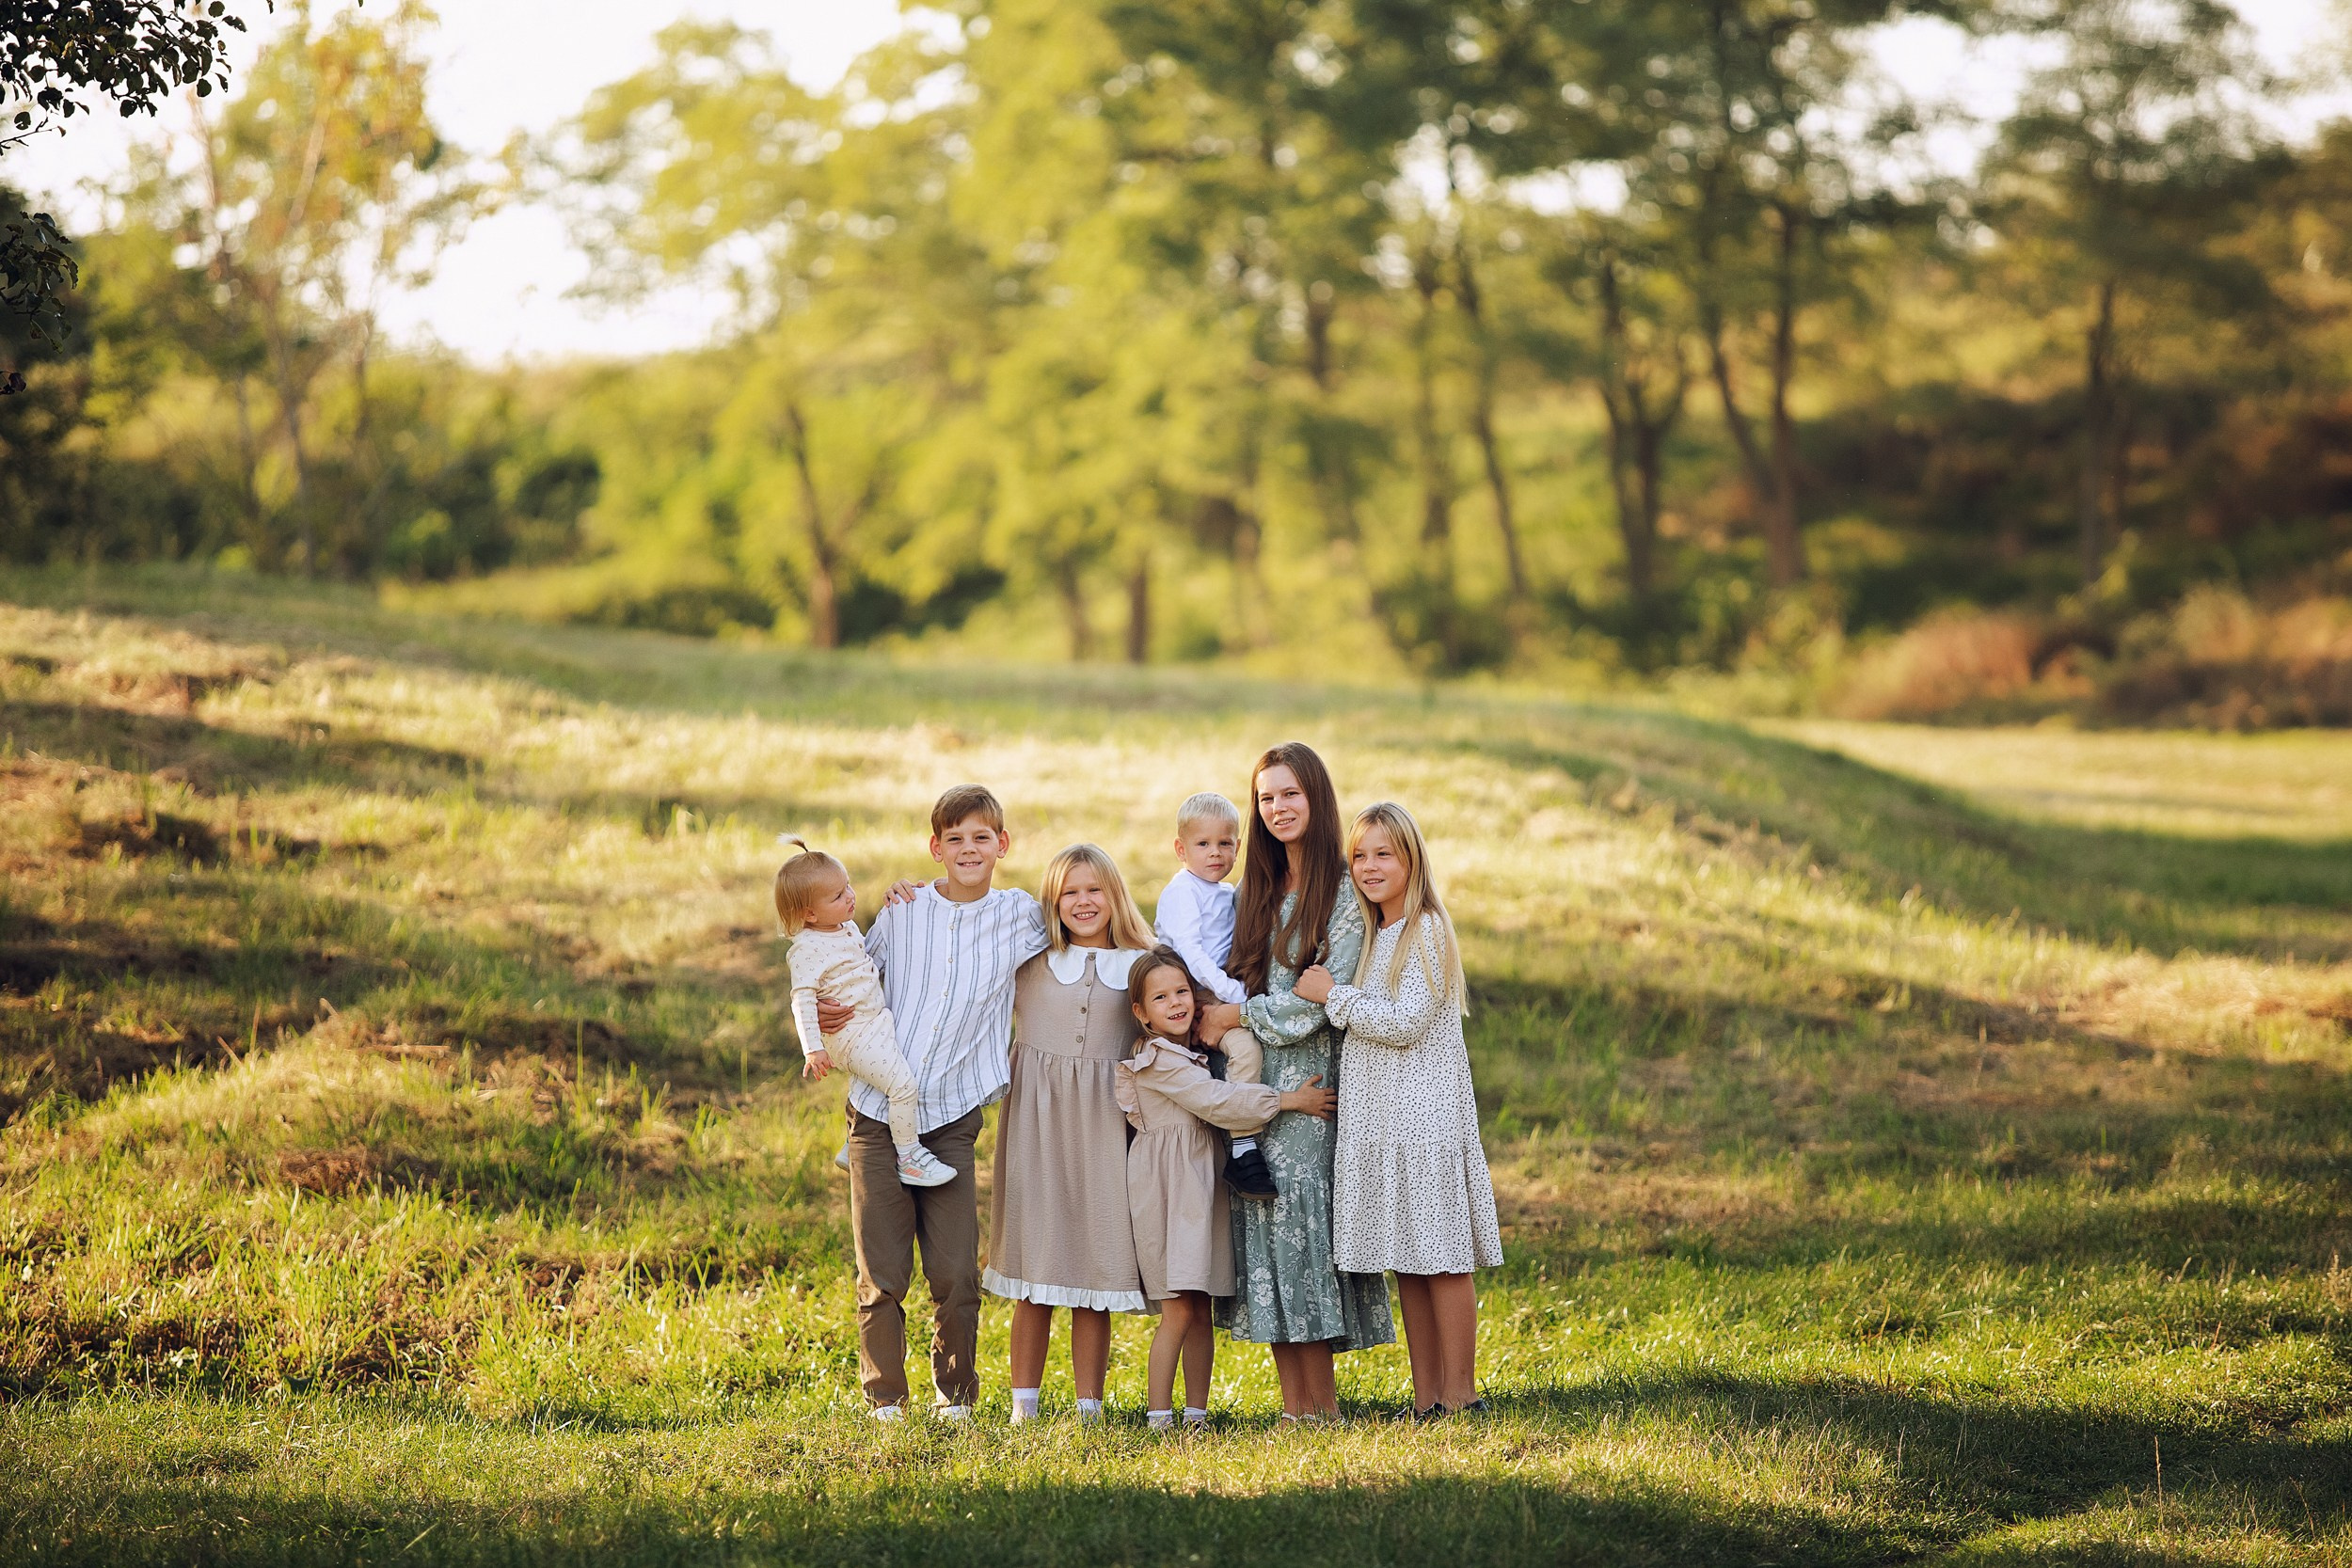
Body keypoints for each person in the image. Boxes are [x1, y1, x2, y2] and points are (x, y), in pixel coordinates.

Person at [814, 784, 1045, 1422]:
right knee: (881, 1273)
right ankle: (885, 1398)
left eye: (981, 837)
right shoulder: (904, 911)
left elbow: (1083, 933)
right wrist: (826, 1010)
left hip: (950, 1121)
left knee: (956, 1274)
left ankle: (957, 1396)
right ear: (935, 847)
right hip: (878, 1114)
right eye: (955, 838)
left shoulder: (1020, 915)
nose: (968, 849)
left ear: (1002, 845)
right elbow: (858, 977)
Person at [1198, 741, 1394, 1421]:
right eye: (1266, 797)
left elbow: (1321, 1002)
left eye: (1290, 794)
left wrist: (1240, 1012)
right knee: (1265, 1222)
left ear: (1317, 797)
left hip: (1313, 1082)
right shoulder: (1253, 890)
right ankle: (1294, 1407)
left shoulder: (1342, 891)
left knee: (1301, 1222)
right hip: (1250, 1086)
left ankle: (1325, 1407)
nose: (1277, 808)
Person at [1296, 802, 1503, 1420]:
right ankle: (1426, 1396)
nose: (1369, 866)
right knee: (1408, 1260)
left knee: (1440, 1257)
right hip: (1383, 1120)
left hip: (1427, 1117)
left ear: (1411, 858)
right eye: (1359, 855)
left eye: (1383, 853)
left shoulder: (1427, 930)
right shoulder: (1373, 937)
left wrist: (1333, 994)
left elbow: (1405, 1022)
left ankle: (1462, 1394)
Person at [1118, 946, 1336, 1432]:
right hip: (1170, 1192)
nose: (1176, 1004)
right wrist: (1290, 1100)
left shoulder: (1193, 1053)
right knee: (1177, 1308)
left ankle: (1196, 1414)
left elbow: (1233, 1068)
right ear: (1140, 1011)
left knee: (1201, 1307)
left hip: (1202, 1186)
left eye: (1182, 993)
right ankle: (1159, 1417)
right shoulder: (1156, 1059)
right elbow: (1217, 1101)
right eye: (1161, 997)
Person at [985, 843, 1156, 1425]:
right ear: (1053, 903)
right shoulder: (1028, 959)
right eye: (1070, 892)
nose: (1084, 902)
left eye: (1095, 889)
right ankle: (1022, 1407)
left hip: (1110, 1124)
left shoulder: (1143, 962)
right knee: (1037, 1266)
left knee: (1096, 1264)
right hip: (1037, 1124)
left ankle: (1090, 1407)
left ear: (1115, 895)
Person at [773, 838, 957, 1188]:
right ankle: (909, 1156)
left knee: (885, 1072)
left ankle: (852, 1143)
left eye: (848, 887)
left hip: (872, 1022)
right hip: (851, 1035)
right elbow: (802, 999)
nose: (851, 896)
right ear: (810, 914)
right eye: (838, 896)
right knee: (902, 1086)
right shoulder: (807, 949)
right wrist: (813, 1048)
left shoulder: (845, 927)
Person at [1152, 791, 1277, 1198]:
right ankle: (1238, 1146)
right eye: (1203, 844)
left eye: (1225, 843)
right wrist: (1234, 995)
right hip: (1183, 992)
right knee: (1227, 1056)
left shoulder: (1226, 894)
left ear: (1238, 847)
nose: (1215, 853)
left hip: (1214, 991)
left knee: (1245, 1049)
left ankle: (1241, 1147)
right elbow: (1192, 952)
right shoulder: (1182, 892)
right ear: (1180, 849)